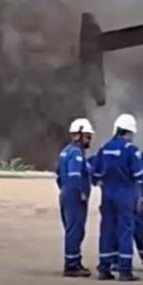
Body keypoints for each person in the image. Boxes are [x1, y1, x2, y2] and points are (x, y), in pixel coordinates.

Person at [93, 113, 143, 281]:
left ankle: (104, 269)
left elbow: (95, 173)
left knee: (107, 230)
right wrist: (139, 197)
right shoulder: (132, 151)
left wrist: (101, 182)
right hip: (126, 194)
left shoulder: (104, 148)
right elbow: (139, 176)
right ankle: (125, 271)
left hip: (107, 194)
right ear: (130, 132)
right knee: (125, 231)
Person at [55, 118, 95, 277]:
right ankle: (71, 265)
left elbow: (58, 175)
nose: (89, 140)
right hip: (74, 195)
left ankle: (75, 260)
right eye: (87, 136)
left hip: (66, 192)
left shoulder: (65, 151)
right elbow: (74, 175)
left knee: (73, 229)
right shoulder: (76, 154)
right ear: (78, 135)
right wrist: (80, 193)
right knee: (75, 230)